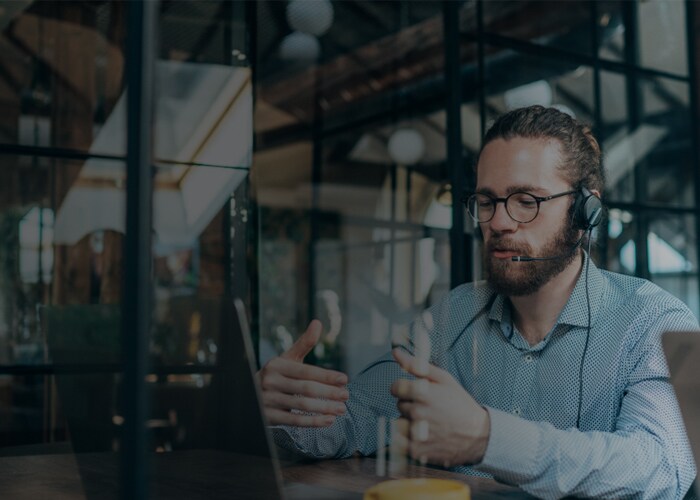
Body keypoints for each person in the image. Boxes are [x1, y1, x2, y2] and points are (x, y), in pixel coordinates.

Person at [258, 105, 698, 498]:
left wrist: (489, 439)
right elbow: (360, 415)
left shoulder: (661, 320)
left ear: (586, 212)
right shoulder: (452, 315)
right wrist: (294, 411)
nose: (500, 222)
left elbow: (662, 468)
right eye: (487, 201)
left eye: (526, 201)